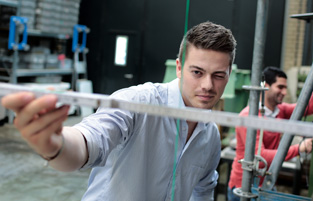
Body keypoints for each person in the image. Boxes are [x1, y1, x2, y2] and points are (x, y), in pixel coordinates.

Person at [1, 21, 237, 201]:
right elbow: (91, 140)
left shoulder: (210, 137)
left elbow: (203, 192)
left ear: (228, 76)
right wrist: (57, 145)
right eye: (197, 72)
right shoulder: (137, 102)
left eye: (218, 75)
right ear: (179, 67)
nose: (207, 85)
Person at [227, 66, 313, 201]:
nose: (284, 92)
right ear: (266, 86)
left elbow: (309, 107)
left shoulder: (280, 111)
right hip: (245, 187)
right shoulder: (248, 116)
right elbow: (260, 158)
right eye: (280, 87)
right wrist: (299, 148)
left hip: (267, 183)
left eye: (285, 87)